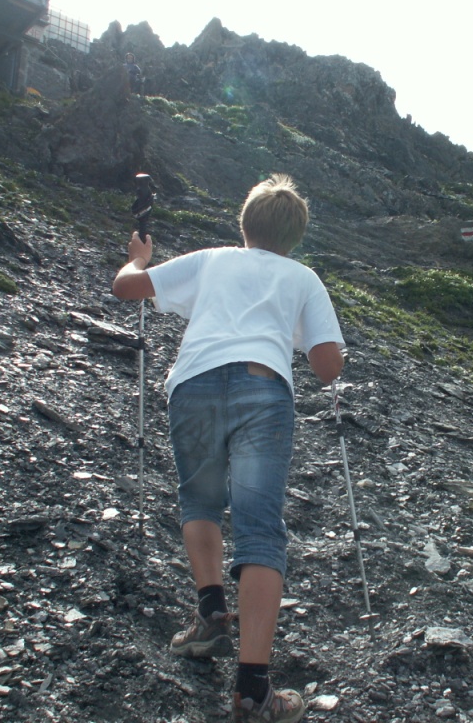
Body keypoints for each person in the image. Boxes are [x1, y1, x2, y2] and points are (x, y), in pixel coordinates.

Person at [112, 174, 344, 723]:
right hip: (263, 390)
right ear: (295, 236)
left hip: (194, 384)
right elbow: (327, 367)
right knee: (260, 527)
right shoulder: (304, 277)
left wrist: (138, 258)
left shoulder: (212, 259)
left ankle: (211, 616)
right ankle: (252, 689)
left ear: (245, 223)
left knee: (200, 501)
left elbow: (126, 289)